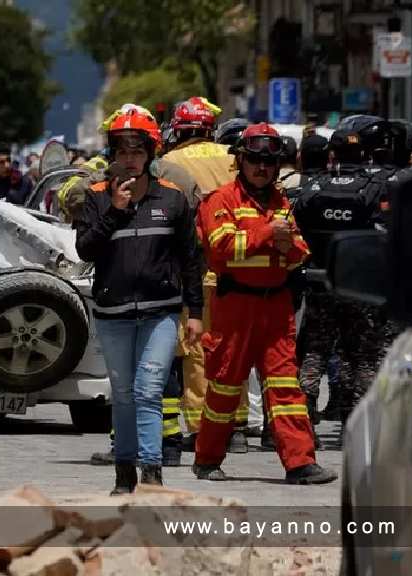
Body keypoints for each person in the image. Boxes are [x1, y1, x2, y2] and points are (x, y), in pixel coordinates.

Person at [193, 123, 336, 484]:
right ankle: (207, 459)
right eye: (255, 160)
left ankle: (300, 462)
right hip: (235, 306)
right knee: (226, 386)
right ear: (240, 160)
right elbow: (222, 250)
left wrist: (288, 247)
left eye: (269, 162)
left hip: (276, 307)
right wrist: (268, 234)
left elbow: (298, 253)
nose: (262, 168)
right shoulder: (220, 200)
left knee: (286, 387)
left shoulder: (281, 202)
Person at [75, 107, 203, 493]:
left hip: (159, 313)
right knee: (125, 393)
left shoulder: (174, 199)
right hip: (112, 314)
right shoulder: (96, 197)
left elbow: (190, 259)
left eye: (137, 150)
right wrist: (115, 211)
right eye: (122, 150)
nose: (129, 159)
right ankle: (124, 471)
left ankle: (152, 472)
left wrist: (195, 312)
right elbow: (85, 250)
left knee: (150, 390)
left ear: (150, 153)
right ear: (113, 154)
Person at [159, 97, 254, 453]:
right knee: (234, 348)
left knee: (198, 350)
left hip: (195, 271)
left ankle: (203, 427)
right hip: (239, 265)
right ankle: (239, 423)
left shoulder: (169, 164)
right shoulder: (234, 157)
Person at [291, 130, 388, 429]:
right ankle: (357, 422)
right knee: (362, 355)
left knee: (315, 351)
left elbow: (297, 233)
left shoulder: (313, 187)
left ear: (332, 155)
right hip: (360, 287)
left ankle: (305, 415)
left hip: (321, 283)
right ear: (364, 156)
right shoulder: (375, 186)